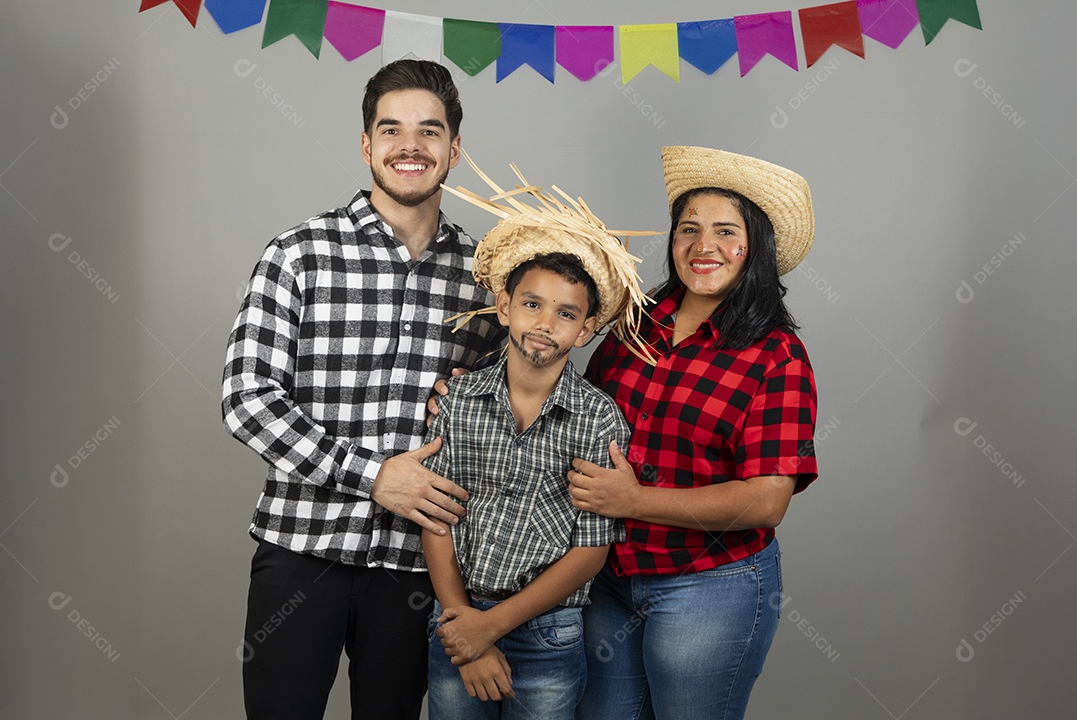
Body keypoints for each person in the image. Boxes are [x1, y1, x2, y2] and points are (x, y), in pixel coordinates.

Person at [221, 59, 503, 720]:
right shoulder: (299, 253)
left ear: (454, 149)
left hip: (418, 568)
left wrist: (482, 401)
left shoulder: (489, 277)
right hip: (301, 550)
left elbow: (515, 414)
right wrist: (371, 476)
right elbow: (247, 395)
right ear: (366, 145)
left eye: (430, 131)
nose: (411, 146)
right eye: (392, 129)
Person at [568, 146, 819, 720]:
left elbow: (765, 499)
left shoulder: (777, 356)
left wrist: (634, 500)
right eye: (689, 229)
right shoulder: (636, 321)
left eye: (725, 231)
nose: (703, 246)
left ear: (754, 246)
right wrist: (483, 390)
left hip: (709, 584)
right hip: (608, 573)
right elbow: (579, 412)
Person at [421, 160, 655, 719]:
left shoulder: (600, 421)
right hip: (455, 616)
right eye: (532, 304)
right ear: (504, 307)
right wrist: (463, 624)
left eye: (566, 313)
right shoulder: (458, 402)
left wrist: (492, 627)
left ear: (586, 328)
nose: (545, 323)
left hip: (547, 632)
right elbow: (435, 516)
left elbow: (590, 550)